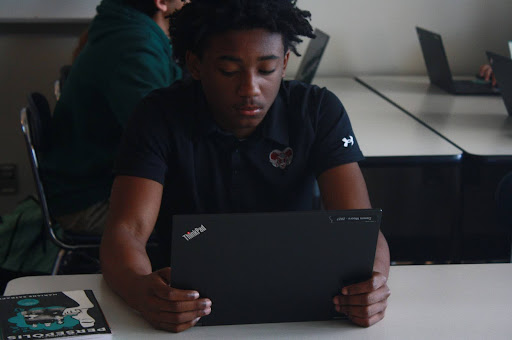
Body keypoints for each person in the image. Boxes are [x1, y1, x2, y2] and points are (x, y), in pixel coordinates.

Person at [100, 0, 391, 333]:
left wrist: (375, 285)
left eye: (266, 69)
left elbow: (360, 230)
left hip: (301, 308)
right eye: (229, 70)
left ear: (284, 63)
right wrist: (140, 290)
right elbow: (126, 232)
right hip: (191, 310)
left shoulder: (318, 111)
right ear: (195, 65)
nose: (250, 89)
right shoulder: (158, 117)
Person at [40, 0, 187, 234]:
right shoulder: (135, 46)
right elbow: (158, 137)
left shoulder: (127, 30)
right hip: (89, 201)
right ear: (161, 3)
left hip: (86, 186)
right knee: (205, 211)